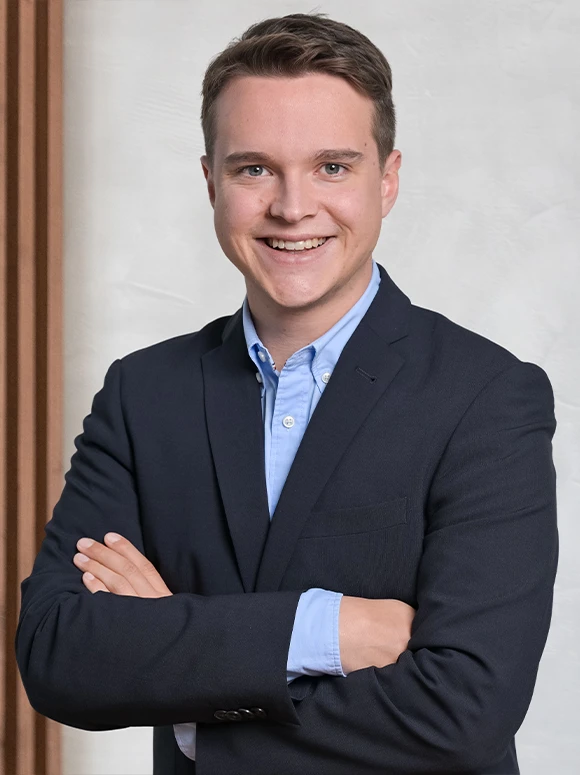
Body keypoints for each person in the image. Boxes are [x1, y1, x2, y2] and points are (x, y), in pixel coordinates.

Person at [15, 12, 558, 775]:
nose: (292, 206)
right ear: (211, 180)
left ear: (388, 180)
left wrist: (191, 692)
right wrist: (325, 627)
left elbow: (465, 707)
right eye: (254, 168)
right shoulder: (144, 395)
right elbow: (58, 652)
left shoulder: (487, 397)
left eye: (332, 166)